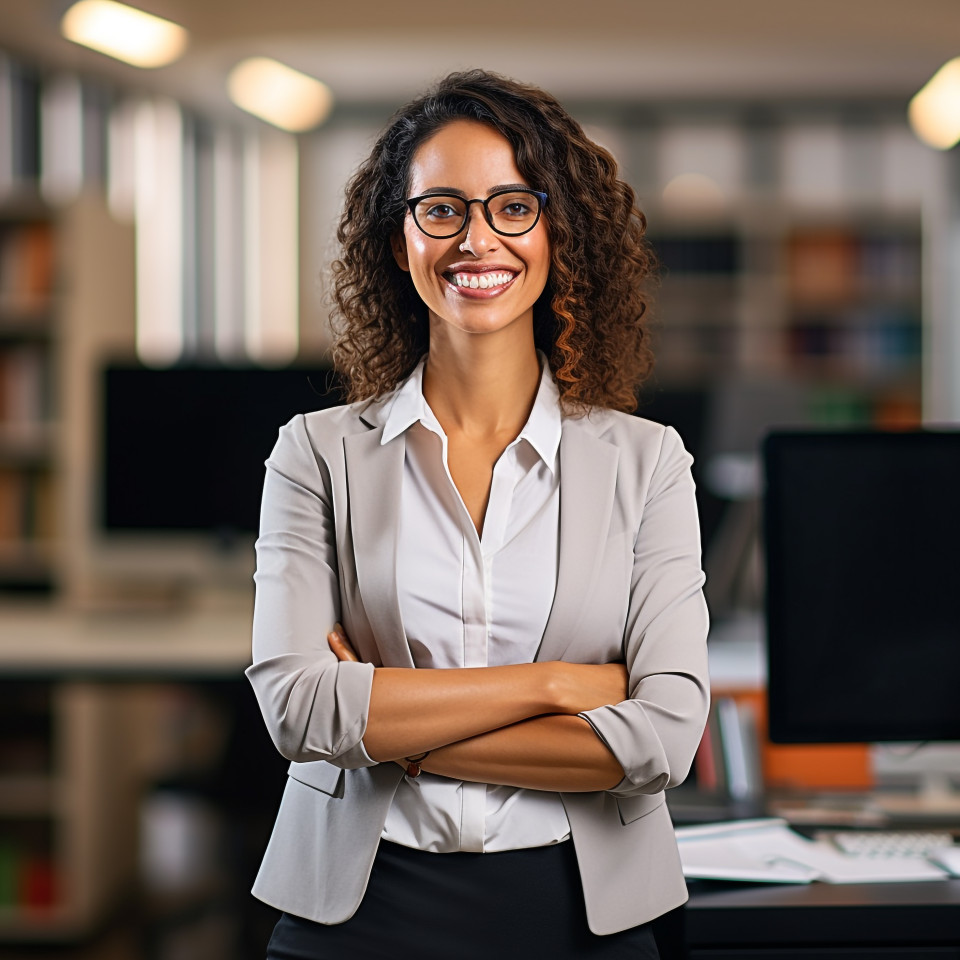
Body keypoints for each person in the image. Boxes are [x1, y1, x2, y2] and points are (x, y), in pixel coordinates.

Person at [247, 69, 710, 960]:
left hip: (581, 908)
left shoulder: (649, 464)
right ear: (399, 240)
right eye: (442, 209)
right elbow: (300, 711)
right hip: (356, 903)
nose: (476, 239)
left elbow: (664, 736)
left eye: (512, 206)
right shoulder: (315, 453)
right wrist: (558, 685)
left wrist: (396, 734)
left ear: (555, 233)